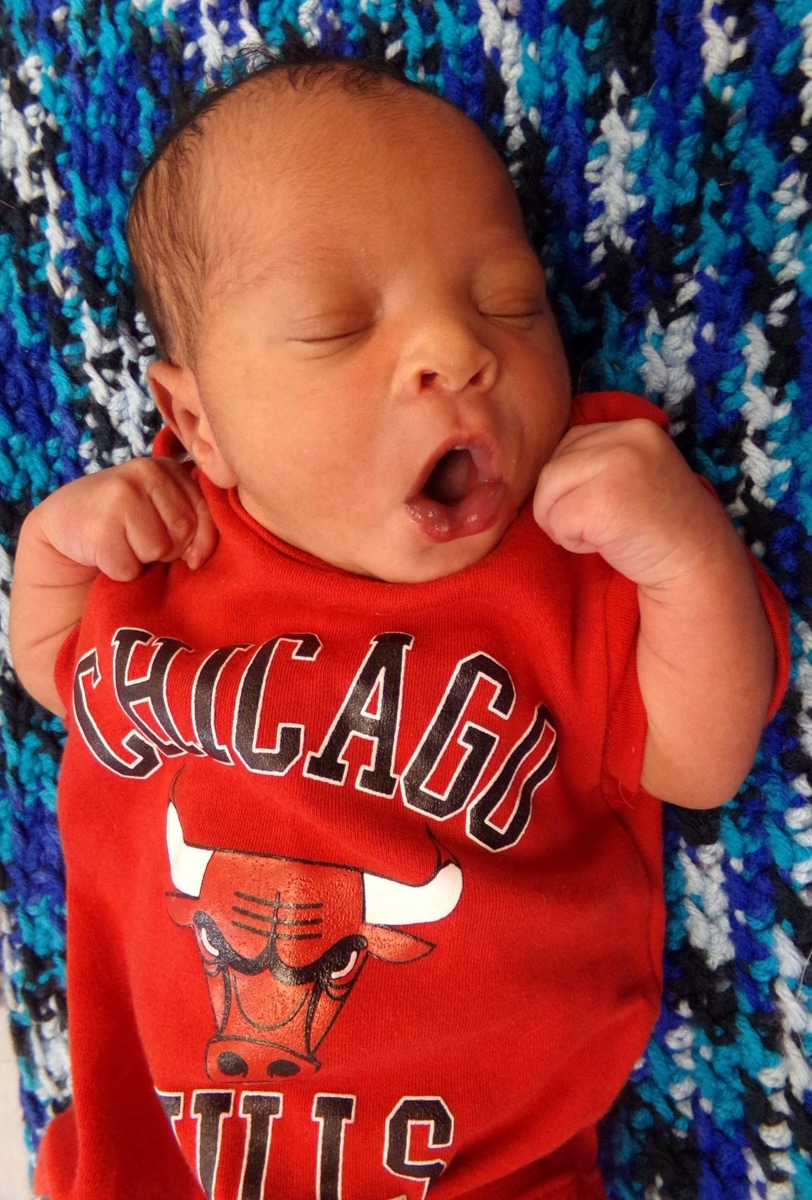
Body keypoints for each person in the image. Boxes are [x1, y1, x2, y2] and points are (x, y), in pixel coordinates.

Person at [10, 54, 789, 1200]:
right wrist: (54, 552)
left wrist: (679, 551)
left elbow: (699, 756)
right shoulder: (165, 541)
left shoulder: (573, 544)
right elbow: (56, 683)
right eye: (334, 325)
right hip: (155, 1163)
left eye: (509, 302)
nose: (459, 349)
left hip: (483, 1173)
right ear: (197, 419)